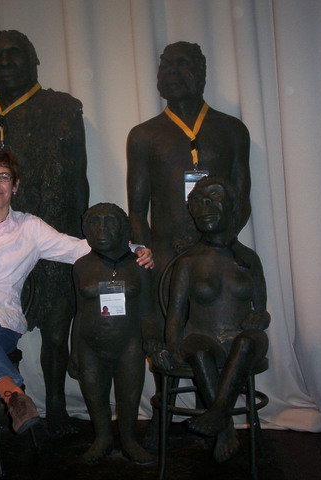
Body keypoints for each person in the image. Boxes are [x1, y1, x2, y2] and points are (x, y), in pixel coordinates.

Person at [0, 150, 153, 480]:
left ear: (15, 186)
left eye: (3, 177)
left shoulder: (30, 228)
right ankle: (12, 393)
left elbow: (78, 247)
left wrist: (135, 249)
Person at [0, 30, 89, 436]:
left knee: (57, 325)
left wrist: (84, 235)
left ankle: (58, 407)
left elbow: (79, 178)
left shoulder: (63, 109)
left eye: (14, 54)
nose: (5, 62)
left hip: (53, 228)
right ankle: (10, 406)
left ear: (33, 60)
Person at [126, 41, 252, 445]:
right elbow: (137, 208)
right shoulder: (144, 135)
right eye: (165, 65)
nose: (171, 72)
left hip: (218, 257)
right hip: (165, 255)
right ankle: (165, 414)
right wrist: (145, 254)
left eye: (181, 65)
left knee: (214, 332)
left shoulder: (231, 130)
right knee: (164, 334)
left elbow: (242, 199)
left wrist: (219, 246)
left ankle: (213, 413)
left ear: (202, 72)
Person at [152, 176, 269, 463]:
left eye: (213, 199)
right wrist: (171, 345)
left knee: (245, 343)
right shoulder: (187, 262)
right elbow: (176, 312)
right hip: (203, 337)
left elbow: (261, 309)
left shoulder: (248, 258)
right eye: (198, 202)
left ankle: (217, 415)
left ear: (232, 206)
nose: (204, 208)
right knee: (198, 349)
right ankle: (225, 426)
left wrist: (259, 317)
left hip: (243, 339)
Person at [69, 203, 155, 464]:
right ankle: (102, 438)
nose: (102, 228)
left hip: (129, 344)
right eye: (95, 222)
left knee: (129, 396)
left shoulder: (140, 264)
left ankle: (129, 440)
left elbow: (147, 311)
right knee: (95, 395)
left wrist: (152, 341)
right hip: (89, 345)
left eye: (110, 221)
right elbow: (79, 311)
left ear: (124, 229)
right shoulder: (81, 266)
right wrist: (74, 352)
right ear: (86, 229)